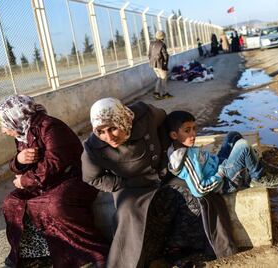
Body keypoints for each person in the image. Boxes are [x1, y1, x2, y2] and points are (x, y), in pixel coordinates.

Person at [81, 98, 236, 267]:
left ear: (123, 120)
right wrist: (123, 183)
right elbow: (92, 178)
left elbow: (165, 121)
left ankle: (201, 248)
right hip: (132, 188)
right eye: (101, 131)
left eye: (113, 128)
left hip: (164, 173)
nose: (108, 137)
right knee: (129, 215)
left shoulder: (145, 115)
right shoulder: (93, 147)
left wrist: (167, 152)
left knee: (200, 194)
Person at [0, 95, 109, 268]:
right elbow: (21, 164)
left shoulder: (50, 127)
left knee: (52, 206)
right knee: (11, 203)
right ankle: (35, 255)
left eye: (3, 125)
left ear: (14, 117)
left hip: (72, 178)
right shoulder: (23, 132)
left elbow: (55, 162)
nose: (3, 131)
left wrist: (25, 181)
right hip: (45, 182)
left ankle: (94, 254)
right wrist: (19, 161)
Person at [165, 111, 278, 198]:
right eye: (187, 130)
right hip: (225, 182)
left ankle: (256, 167)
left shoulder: (183, 146)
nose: (193, 134)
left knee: (233, 135)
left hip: (219, 164)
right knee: (243, 145)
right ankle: (258, 178)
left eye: (194, 129)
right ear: (174, 135)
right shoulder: (185, 159)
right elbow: (199, 190)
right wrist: (220, 173)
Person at [148, 30, 172, 100]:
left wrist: (152, 62)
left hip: (153, 65)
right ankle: (165, 94)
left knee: (159, 78)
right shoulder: (162, 44)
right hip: (160, 65)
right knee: (164, 79)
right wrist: (165, 65)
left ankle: (156, 93)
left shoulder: (151, 44)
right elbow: (165, 56)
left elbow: (149, 55)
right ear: (162, 37)